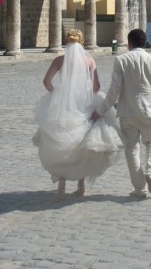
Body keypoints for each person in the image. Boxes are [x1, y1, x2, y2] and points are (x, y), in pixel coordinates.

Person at [33, 29, 124, 201]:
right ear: (82, 43)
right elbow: (96, 87)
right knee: (82, 143)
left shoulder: (59, 60)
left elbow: (46, 82)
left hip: (64, 105)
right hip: (85, 103)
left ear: (67, 42)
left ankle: (61, 181)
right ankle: (81, 185)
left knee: (62, 139)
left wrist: (56, 94)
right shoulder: (89, 61)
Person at [92, 28, 151, 198]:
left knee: (131, 149)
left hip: (127, 112)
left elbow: (114, 91)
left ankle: (139, 188)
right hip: (149, 110)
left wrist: (100, 111)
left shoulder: (121, 60)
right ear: (144, 42)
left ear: (129, 43)